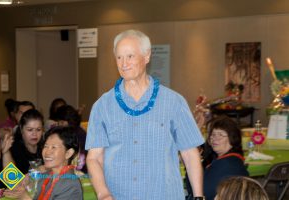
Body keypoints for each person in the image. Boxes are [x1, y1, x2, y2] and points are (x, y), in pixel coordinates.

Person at [85, 29, 204, 200]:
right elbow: (94, 158)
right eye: (119, 57)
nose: (124, 63)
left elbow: (189, 153)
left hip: (164, 194)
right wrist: (103, 194)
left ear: (146, 56)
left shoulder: (174, 102)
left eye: (130, 56)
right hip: (118, 195)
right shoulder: (102, 106)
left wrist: (199, 196)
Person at [202, 116, 249, 200]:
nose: (214, 138)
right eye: (213, 134)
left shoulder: (225, 164)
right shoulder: (235, 159)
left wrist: (190, 166)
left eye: (220, 135)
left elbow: (200, 192)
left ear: (232, 138)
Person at [31, 126, 83, 200]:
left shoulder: (70, 185)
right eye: (46, 146)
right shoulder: (45, 176)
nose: (47, 152)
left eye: (53, 147)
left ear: (68, 153)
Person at [4, 109, 44, 174]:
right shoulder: (13, 150)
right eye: (30, 130)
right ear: (21, 129)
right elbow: (11, 181)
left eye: (38, 129)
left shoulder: (46, 148)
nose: (34, 134)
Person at [55, 105, 87, 173]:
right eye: (58, 122)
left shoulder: (79, 134)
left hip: (79, 171)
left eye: (62, 122)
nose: (59, 125)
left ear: (70, 121)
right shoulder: (67, 132)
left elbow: (81, 158)